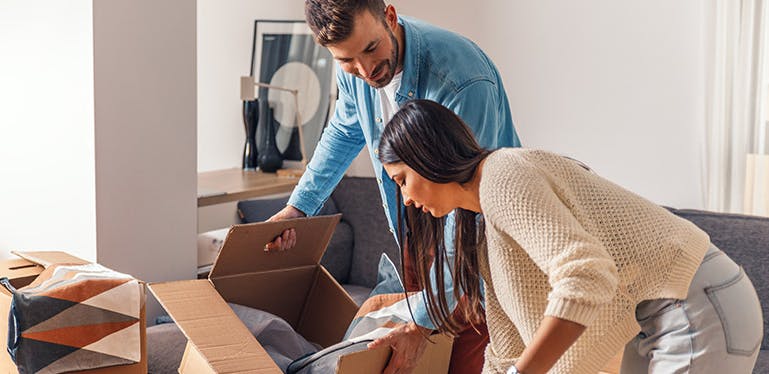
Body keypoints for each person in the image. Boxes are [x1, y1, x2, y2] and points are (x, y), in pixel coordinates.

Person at [377, 99, 763, 374]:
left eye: (404, 181)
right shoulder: (479, 227)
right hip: (658, 315)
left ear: (428, 156)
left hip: (696, 301)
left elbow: (585, 275)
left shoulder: (503, 174)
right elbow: (506, 346)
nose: (408, 199)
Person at [266, 1, 521, 372]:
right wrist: (299, 207)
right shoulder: (353, 65)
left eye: (371, 49)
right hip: (417, 226)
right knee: (406, 360)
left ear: (389, 17)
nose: (366, 71)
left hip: (474, 239)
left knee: (464, 360)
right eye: (348, 61)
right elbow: (344, 129)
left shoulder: (462, 79)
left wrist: (422, 321)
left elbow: (467, 204)